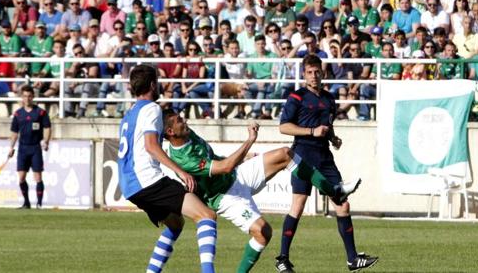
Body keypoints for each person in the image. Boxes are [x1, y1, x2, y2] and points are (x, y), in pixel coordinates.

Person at [163, 114, 359, 273]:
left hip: (237, 175)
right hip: (225, 196)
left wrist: (244, 158)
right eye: (180, 121)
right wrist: (249, 141)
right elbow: (224, 167)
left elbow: (217, 160)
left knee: (285, 154)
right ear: (171, 132)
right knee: (263, 232)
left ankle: (334, 191)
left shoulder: (188, 135)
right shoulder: (183, 158)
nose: (185, 121)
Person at [275, 55, 378, 273]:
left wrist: (333, 138)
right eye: (310, 72)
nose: (314, 76)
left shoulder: (330, 99)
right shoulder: (296, 96)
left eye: (317, 71)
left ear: (323, 73)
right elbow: (284, 127)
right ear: (304, 74)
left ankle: (352, 259)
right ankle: (282, 259)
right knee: (298, 205)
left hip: (324, 157)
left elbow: (327, 126)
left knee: (342, 204)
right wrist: (311, 131)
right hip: (302, 154)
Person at [117, 64, 217, 273]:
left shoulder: (129, 114)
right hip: (148, 180)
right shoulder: (152, 108)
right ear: (153, 84)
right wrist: (181, 171)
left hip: (130, 186)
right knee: (207, 215)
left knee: (175, 223)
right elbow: (151, 146)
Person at [7, 85, 51, 209]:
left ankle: (39, 204)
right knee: (21, 178)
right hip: (22, 148)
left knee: (38, 177)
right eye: (25, 96)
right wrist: (11, 147)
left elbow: (47, 127)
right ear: (22, 97)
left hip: (35, 148)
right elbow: (14, 132)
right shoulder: (18, 114)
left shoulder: (40, 112)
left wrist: (46, 141)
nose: (27, 99)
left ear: (33, 97)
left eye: (30, 96)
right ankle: (26, 203)